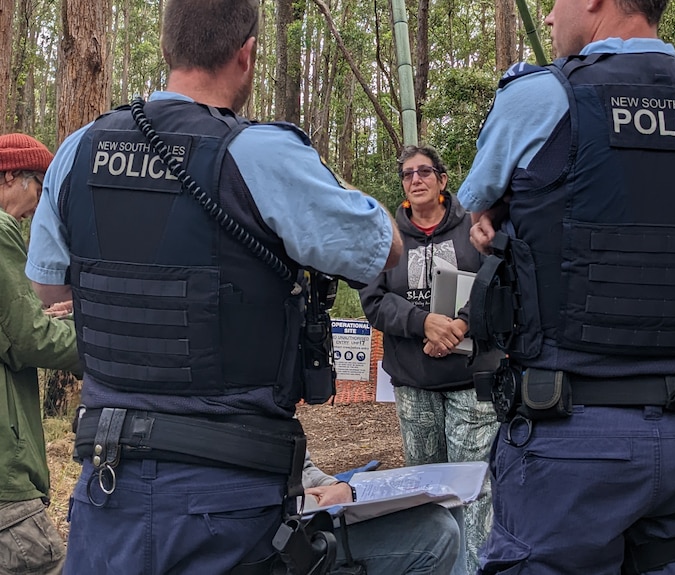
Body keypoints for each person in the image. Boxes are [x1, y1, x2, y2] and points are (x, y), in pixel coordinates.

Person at [24, 1, 402, 573]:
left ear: (166, 46)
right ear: (247, 53)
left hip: (107, 491)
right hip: (228, 502)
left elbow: (49, 292)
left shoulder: (78, 151)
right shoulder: (262, 153)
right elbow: (385, 251)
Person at [457, 0, 675, 572]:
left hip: (572, 442)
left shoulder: (541, 96)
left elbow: (477, 206)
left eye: (553, 2)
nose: (546, 17)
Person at [359, 145, 500, 573]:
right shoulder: (387, 237)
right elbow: (373, 300)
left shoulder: (473, 228)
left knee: (475, 492)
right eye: (407, 174)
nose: (415, 179)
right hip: (414, 382)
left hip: (471, 384)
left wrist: (458, 325)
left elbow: (497, 280)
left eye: (424, 172)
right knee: (426, 490)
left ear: (442, 180)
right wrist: (424, 324)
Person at [0, 133, 80, 575]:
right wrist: (100, 339)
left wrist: (50, 318)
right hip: (5, 482)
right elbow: (30, 339)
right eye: (39, 187)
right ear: (11, 175)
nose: (37, 207)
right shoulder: (0, 232)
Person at [301, 451, 460, 574]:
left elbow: (304, 466)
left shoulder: (280, 412)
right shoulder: (277, 412)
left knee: (452, 504)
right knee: (437, 533)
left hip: (320, 514)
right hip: (299, 539)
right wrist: (313, 502)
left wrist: (336, 485)